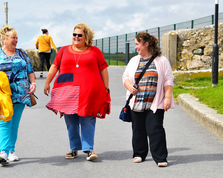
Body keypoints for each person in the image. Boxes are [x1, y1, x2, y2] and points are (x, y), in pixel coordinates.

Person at [44, 22, 110, 161]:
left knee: (87, 119)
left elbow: (103, 69)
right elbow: (54, 66)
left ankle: (88, 150)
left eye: (80, 35)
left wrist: (106, 87)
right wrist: (47, 82)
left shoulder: (95, 51)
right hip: (67, 91)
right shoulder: (63, 50)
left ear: (86, 37)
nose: (76, 37)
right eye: (74, 34)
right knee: (71, 121)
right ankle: (74, 148)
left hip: (88, 92)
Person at [0, 25, 36, 165]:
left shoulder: (22, 53)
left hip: (21, 93)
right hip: (2, 94)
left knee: (14, 124)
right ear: (4, 39)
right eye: (13, 38)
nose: (16, 40)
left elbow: (30, 70)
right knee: (4, 122)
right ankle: (2, 152)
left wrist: (33, 83)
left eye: (17, 38)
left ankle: (11, 151)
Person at [122, 32, 174, 167]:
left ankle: (160, 157)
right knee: (138, 130)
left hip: (155, 103)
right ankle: (139, 154)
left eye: (138, 44)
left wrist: (167, 98)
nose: (136, 47)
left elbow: (168, 79)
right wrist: (129, 86)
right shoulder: (134, 60)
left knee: (155, 129)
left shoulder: (162, 60)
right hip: (136, 101)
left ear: (146, 44)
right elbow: (125, 77)